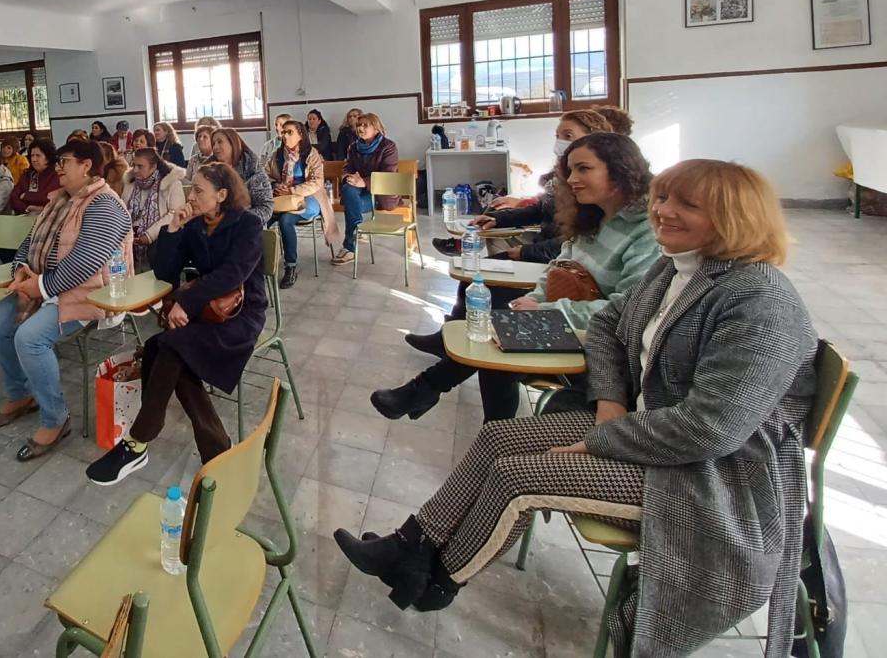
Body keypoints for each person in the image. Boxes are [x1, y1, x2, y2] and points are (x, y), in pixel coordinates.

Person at [336, 160, 817, 658]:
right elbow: (608, 325)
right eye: (662, 197)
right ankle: (409, 546)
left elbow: (711, 430)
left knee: (517, 478)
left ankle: (436, 580)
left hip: (705, 473)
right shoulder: (676, 268)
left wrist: (602, 438)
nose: (663, 211)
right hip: (642, 427)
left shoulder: (759, 301)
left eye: (686, 204)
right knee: (499, 437)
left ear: (735, 217)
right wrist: (609, 405)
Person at [372, 133, 661, 423]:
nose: (572, 179)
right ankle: (460, 411)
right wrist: (533, 300)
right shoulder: (592, 218)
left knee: (497, 339)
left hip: (602, 344)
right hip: (568, 316)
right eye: (570, 170)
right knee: (497, 335)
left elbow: (627, 311)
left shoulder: (646, 233)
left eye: (583, 169)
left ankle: (428, 394)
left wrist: (546, 310)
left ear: (620, 169)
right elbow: (559, 267)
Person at [87, 162, 266, 484]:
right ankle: (217, 452)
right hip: (204, 311)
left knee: (168, 347)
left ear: (222, 195)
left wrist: (186, 302)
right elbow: (165, 272)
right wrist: (173, 228)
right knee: (161, 347)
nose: (191, 196)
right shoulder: (195, 225)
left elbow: (233, 274)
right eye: (190, 189)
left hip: (240, 315)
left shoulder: (248, 224)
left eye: (198, 190)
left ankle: (138, 440)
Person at [0, 139, 132, 461]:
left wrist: (40, 288)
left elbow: (85, 263)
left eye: (64, 161)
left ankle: (55, 418)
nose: (58, 167)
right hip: (45, 286)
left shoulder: (105, 205)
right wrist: (19, 270)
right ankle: (21, 395)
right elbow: (30, 242)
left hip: (89, 293)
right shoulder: (59, 199)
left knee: (29, 338)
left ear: (86, 166)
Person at [432, 108, 611, 258]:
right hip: (545, 241)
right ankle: (468, 244)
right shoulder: (563, 174)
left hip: (556, 256)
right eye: (558, 136)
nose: (560, 142)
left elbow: (577, 240)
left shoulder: (590, 186)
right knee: (494, 213)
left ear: (592, 138)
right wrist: (498, 219)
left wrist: (527, 252)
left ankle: (467, 246)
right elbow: (543, 206)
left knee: (497, 215)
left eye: (568, 135)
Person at [265, 120, 340, 288]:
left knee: (285, 220)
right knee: (260, 218)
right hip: (282, 198)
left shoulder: (311, 154)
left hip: (310, 198)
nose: (285, 136)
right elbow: (266, 175)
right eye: (283, 132)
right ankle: (259, 263)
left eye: (289, 132)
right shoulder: (277, 155)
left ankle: (290, 267)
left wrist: (292, 190)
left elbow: (317, 182)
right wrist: (275, 185)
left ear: (300, 135)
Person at [334, 113, 399, 266]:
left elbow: (388, 175)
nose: (360, 128)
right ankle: (356, 234)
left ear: (376, 128)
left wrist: (364, 182)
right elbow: (347, 168)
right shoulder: (354, 147)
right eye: (358, 125)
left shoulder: (388, 146)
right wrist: (348, 177)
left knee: (351, 202)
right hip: (359, 193)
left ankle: (350, 246)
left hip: (381, 195)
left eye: (365, 125)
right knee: (349, 190)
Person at [122, 147, 186, 270]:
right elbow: (122, 212)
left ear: (154, 166)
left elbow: (174, 214)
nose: (135, 170)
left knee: (155, 249)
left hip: (159, 241)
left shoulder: (172, 184)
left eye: (140, 166)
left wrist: (149, 236)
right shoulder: (129, 183)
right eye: (134, 165)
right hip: (131, 238)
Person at [210, 129, 273, 226]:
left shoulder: (253, 171)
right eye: (213, 143)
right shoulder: (208, 170)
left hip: (245, 227)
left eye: (220, 142)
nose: (215, 147)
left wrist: (238, 219)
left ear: (233, 144)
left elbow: (265, 208)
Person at [9, 138, 61, 215]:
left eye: (38, 156)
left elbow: (48, 198)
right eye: (32, 156)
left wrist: (25, 196)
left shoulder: (56, 174)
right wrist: (27, 208)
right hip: (24, 215)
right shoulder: (27, 174)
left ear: (48, 158)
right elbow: (13, 197)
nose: (34, 159)